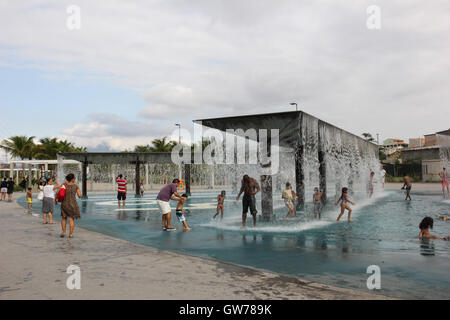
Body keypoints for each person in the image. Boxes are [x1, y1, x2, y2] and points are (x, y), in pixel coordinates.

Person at [60, 173, 81, 238]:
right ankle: (70, 234)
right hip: (73, 204)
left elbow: (59, 193)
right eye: (74, 178)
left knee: (64, 218)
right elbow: (79, 196)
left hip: (64, 204)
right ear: (72, 179)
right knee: (71, 219)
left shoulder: (64, 185)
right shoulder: (76, 186)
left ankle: (63, 232)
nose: (75, 179)